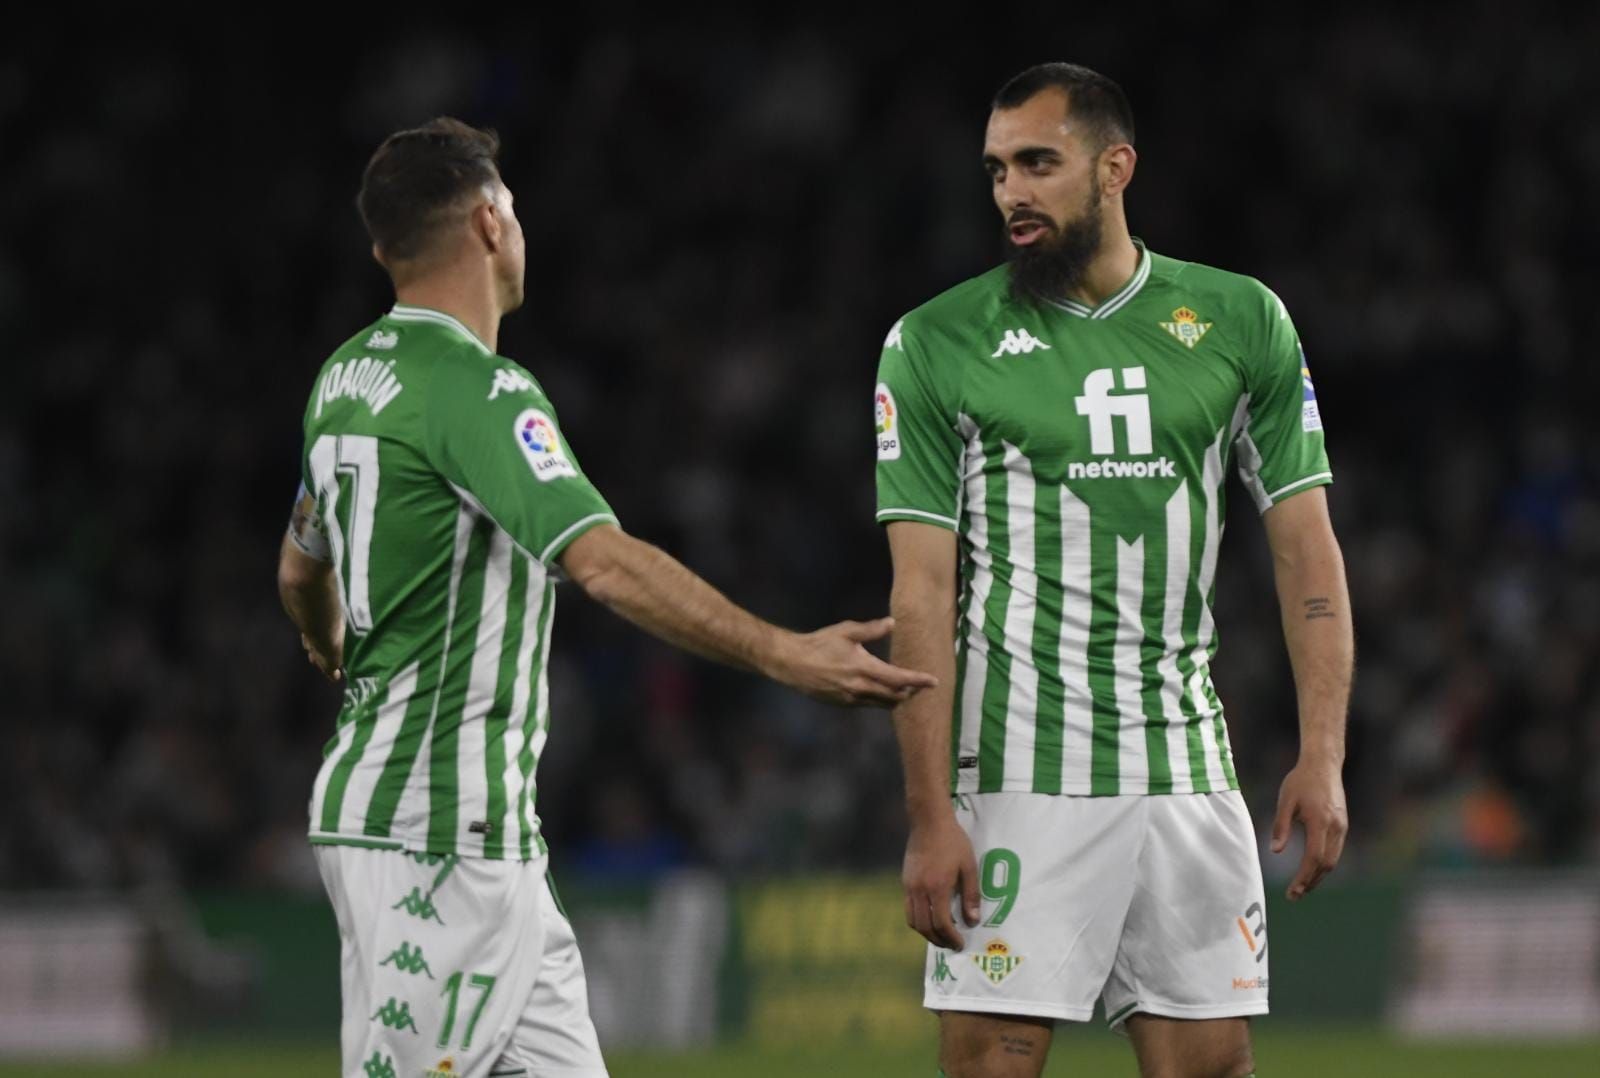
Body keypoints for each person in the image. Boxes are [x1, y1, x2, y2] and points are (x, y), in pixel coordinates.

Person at [276, 117, 936, 1078]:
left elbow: (300, 569)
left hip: (468, 830)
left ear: (385, 249)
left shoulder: (342, 380)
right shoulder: (479, 391)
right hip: (431, 835)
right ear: (492, 224)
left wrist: (327, 637)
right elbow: (603, 563)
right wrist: (782, 652)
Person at [875, 63, 1352, 1078]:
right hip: (1016, 769)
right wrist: (928, 815)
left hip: (1183, 768)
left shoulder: (1240, 320)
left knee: (1211, 1065)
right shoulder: (935, 342)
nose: (1011, 191)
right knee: (991, 1066)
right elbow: (918, 593)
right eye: (998, 169)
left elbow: (1306, 551)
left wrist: (1323, 753)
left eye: (1038, 164)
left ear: (1113, 168)